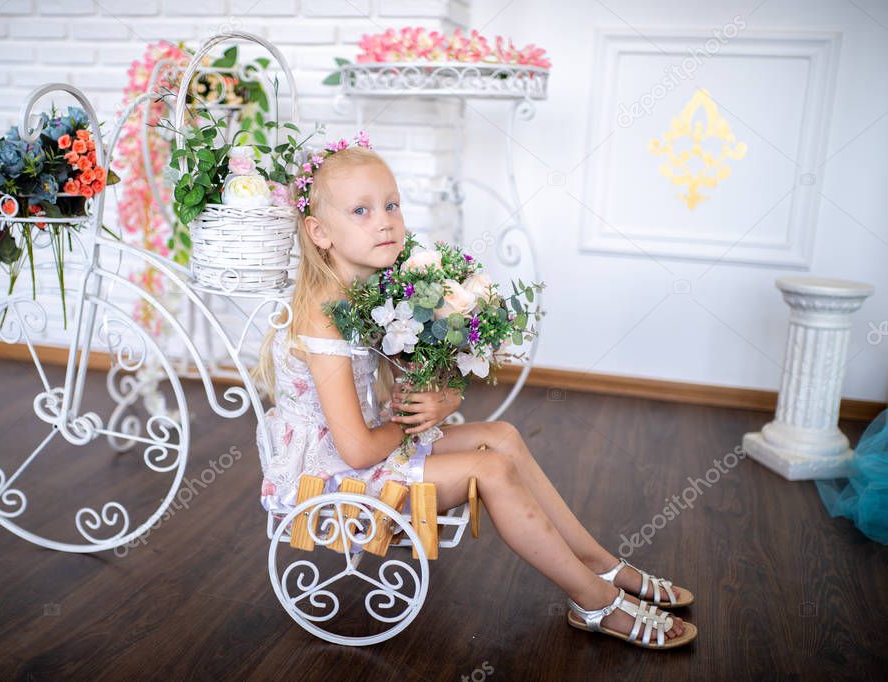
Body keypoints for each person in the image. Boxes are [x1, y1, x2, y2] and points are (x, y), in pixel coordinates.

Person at [251, 136, 697, 649]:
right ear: (319, 233)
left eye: (392, 204)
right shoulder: (323, 320)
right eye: (361, 210)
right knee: (492, 467)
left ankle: (598, 563)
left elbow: (404, 390)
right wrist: (408, 422)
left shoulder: (373, 291)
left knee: (503, 435)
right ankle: (594, 601)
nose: (385, 221)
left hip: (367, 448)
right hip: (331, 475)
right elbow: (353, 449)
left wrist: (443, 400)